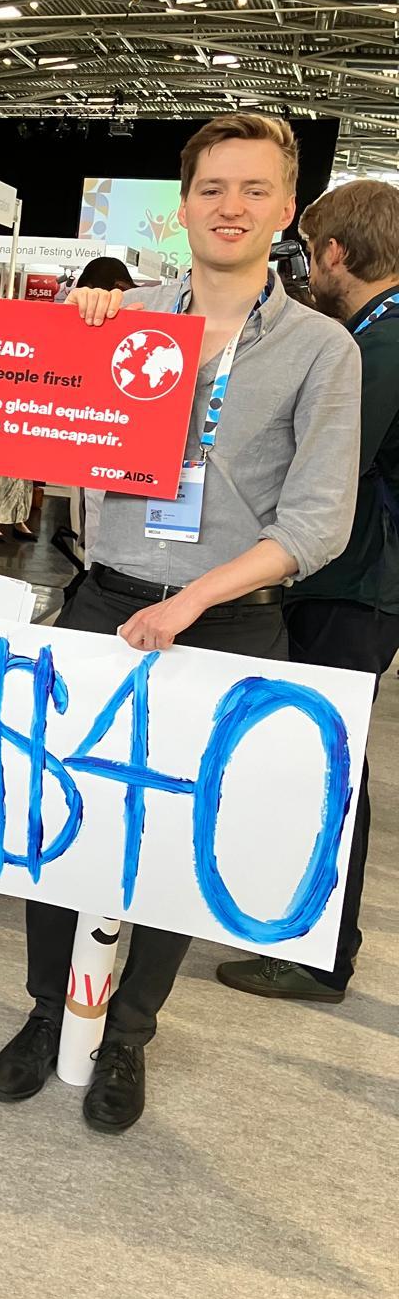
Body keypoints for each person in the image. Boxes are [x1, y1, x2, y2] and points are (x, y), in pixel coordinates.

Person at [0, 113, 361, 1133]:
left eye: (253, 190)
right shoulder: (128, 319)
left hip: (230, 619)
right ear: (183, 203)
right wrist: (66, 357)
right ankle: (42, 1010)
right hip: (105, 596)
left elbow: (318, 522)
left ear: (286, 208)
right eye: (211, 188)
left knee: (175, 843)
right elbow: (56, 469)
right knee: (60, 820)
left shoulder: (323, 350)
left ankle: (128, 1033)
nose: (231, 207)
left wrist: (193, 600)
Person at [217, 178, 399, 1004]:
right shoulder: (372, 331)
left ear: (332, 253)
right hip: (356, 582)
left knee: (328, 757)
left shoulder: (378, 343)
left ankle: (320, 951)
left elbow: (330, 465)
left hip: (354, 583)